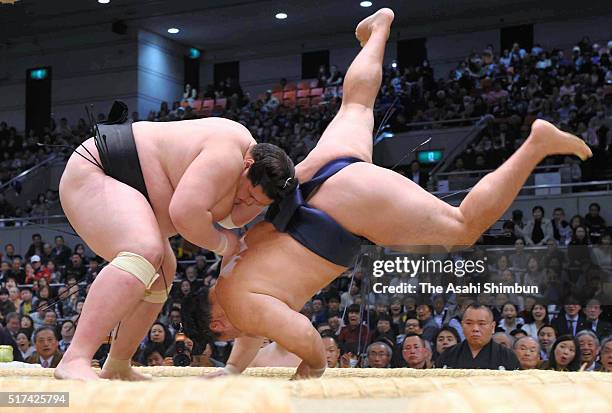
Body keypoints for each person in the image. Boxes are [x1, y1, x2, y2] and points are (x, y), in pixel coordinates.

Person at [193, 8, 589, 380]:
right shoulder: (227, 276)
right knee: (356, 106)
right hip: (311, 184)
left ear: (217, 323)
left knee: (462, 227)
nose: (238, 333)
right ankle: (379, 28)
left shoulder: (242, 307)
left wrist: (311, 371)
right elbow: (254, 325)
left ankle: (536, 144)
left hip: (345, 212)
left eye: (224, 334)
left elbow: (305, 339)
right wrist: (232, 370)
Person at [54, 101, 294, 379]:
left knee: (163, 272)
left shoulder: (248, 174)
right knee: (144, 251)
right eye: (250, 194)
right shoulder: (227, 155)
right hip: (99, 170)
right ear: (247, 165)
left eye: (257, 202)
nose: (249, 202)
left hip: (131, 188)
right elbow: (185, 215)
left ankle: (118, 363)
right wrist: (223, 244)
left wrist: (248, 212)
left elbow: (232, 219)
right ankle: (75, 358)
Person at [435, 305, 520, 370]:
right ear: (462, 326)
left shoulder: (507, 356)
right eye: (469, 323)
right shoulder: (448, 355)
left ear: (493, 327)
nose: (475, 329)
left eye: (481, 324)